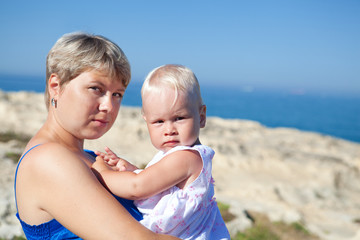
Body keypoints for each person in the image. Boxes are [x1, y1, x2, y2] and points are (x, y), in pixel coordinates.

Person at [14, 32, 180, 240]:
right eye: (96, 88)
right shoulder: (48, 160)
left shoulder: (90, 157)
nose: (108, 106)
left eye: (117, 94)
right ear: (55, 86)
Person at [93, 64, 230, 240]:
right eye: (158, 121)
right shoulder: (177, 155)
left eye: (179, 118)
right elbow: (160, 184)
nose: (169, 129)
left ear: (201, 117)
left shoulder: (187, 157)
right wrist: (129, 168)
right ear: (146, 121)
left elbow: (137, 187)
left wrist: (101, 172)